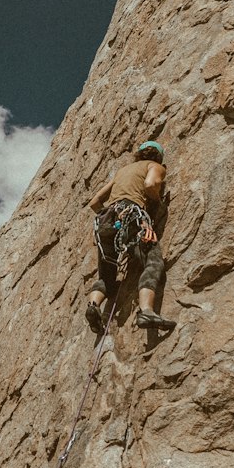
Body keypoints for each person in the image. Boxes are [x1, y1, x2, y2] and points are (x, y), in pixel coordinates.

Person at [84, 140, 176, 334]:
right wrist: (158, 204)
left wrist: (110, 216)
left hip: (106, 221)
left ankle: (93, 305)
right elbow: (151, 184)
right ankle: (146, 311)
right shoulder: (155, 166)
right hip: (132, 216)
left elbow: (94, 202)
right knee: (153, 262)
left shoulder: (122, 172)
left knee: (106, 276)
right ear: (158, 157)